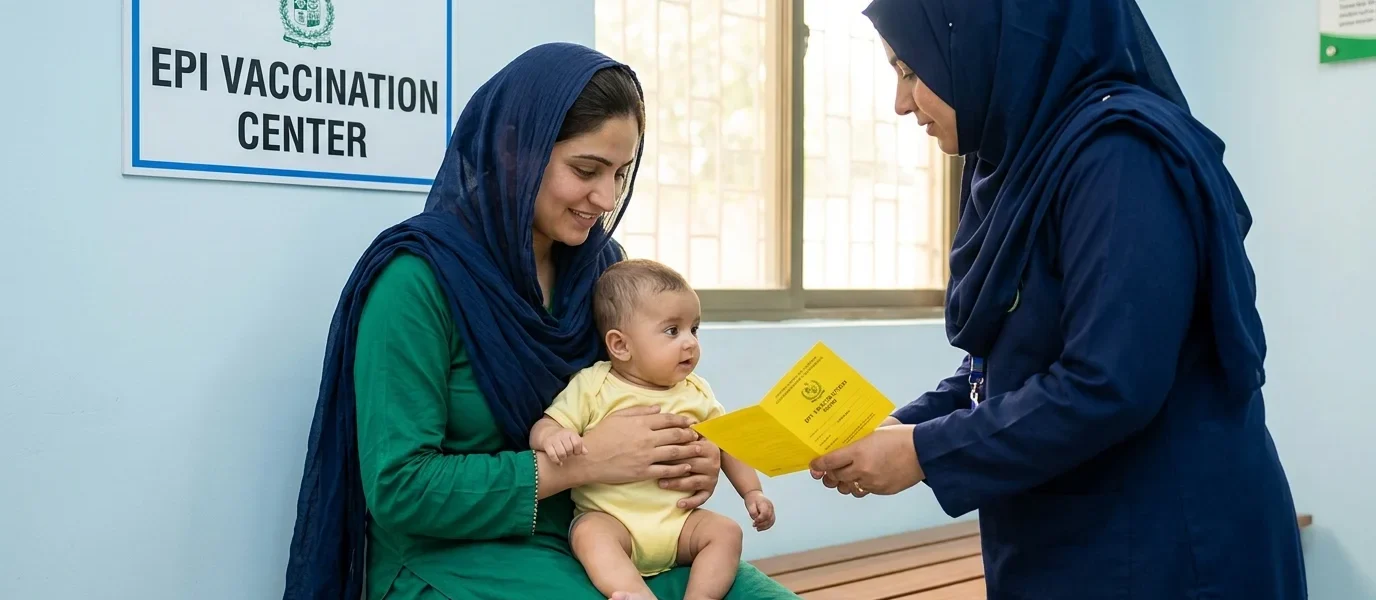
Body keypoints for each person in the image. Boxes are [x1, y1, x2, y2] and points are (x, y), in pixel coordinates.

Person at [807, 1, 1308, 599]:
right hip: (1067, 539)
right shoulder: (1021, 160)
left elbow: (1109, 380)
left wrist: (924, 453)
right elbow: (1007, 357)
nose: (901, 102)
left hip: (1162, 547)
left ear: (984, 42)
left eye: (912, 71)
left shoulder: (1120, 156)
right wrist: (905, 425)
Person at [281, 43, 799, 600]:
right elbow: (399, 488)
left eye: (621, 174)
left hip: (605, 541)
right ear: (514, 149)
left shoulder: (600, 270)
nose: (605, 197)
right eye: (586, 170)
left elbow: (632, 393)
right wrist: (584, 463)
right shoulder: (418, 281)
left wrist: (688, 458)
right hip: (450, 558)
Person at [531, 258, 777, 600]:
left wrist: (753, 492)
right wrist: (554, 437)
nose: (690, 342)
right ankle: (635, 593)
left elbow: (727, 443)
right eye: (672, 331)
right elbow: (547, 424)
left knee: (726, 532)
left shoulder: (697, 391)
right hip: (615, 522)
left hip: (679, 525)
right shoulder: (594, 385)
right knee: (588, 534)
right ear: (620, 345)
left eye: (695, 329)